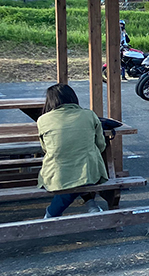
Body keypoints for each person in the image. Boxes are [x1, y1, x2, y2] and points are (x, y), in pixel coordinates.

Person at [36, 84, 108, 218]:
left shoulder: (43, 120)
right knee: (80, 175)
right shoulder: (89, 115)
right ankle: (89, 204)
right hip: (89, 171)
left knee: (70, 179)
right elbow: (101, 144)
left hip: (56, 172)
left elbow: (45, 148)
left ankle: (52, 213)